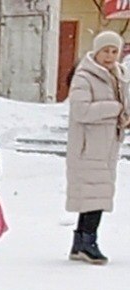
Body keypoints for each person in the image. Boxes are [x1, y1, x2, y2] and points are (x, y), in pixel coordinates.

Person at [65, 30, 127, 264]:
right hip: (88, 147)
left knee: (95, 194)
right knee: (94, 195)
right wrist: (114, 109)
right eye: (106, 51)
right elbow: (81, 110)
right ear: (96, 51)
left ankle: (81, 241)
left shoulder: (118, 75)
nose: (110, 56)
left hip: (106, 146)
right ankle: (88, 241)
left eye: (114, 51)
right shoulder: (85, 76)